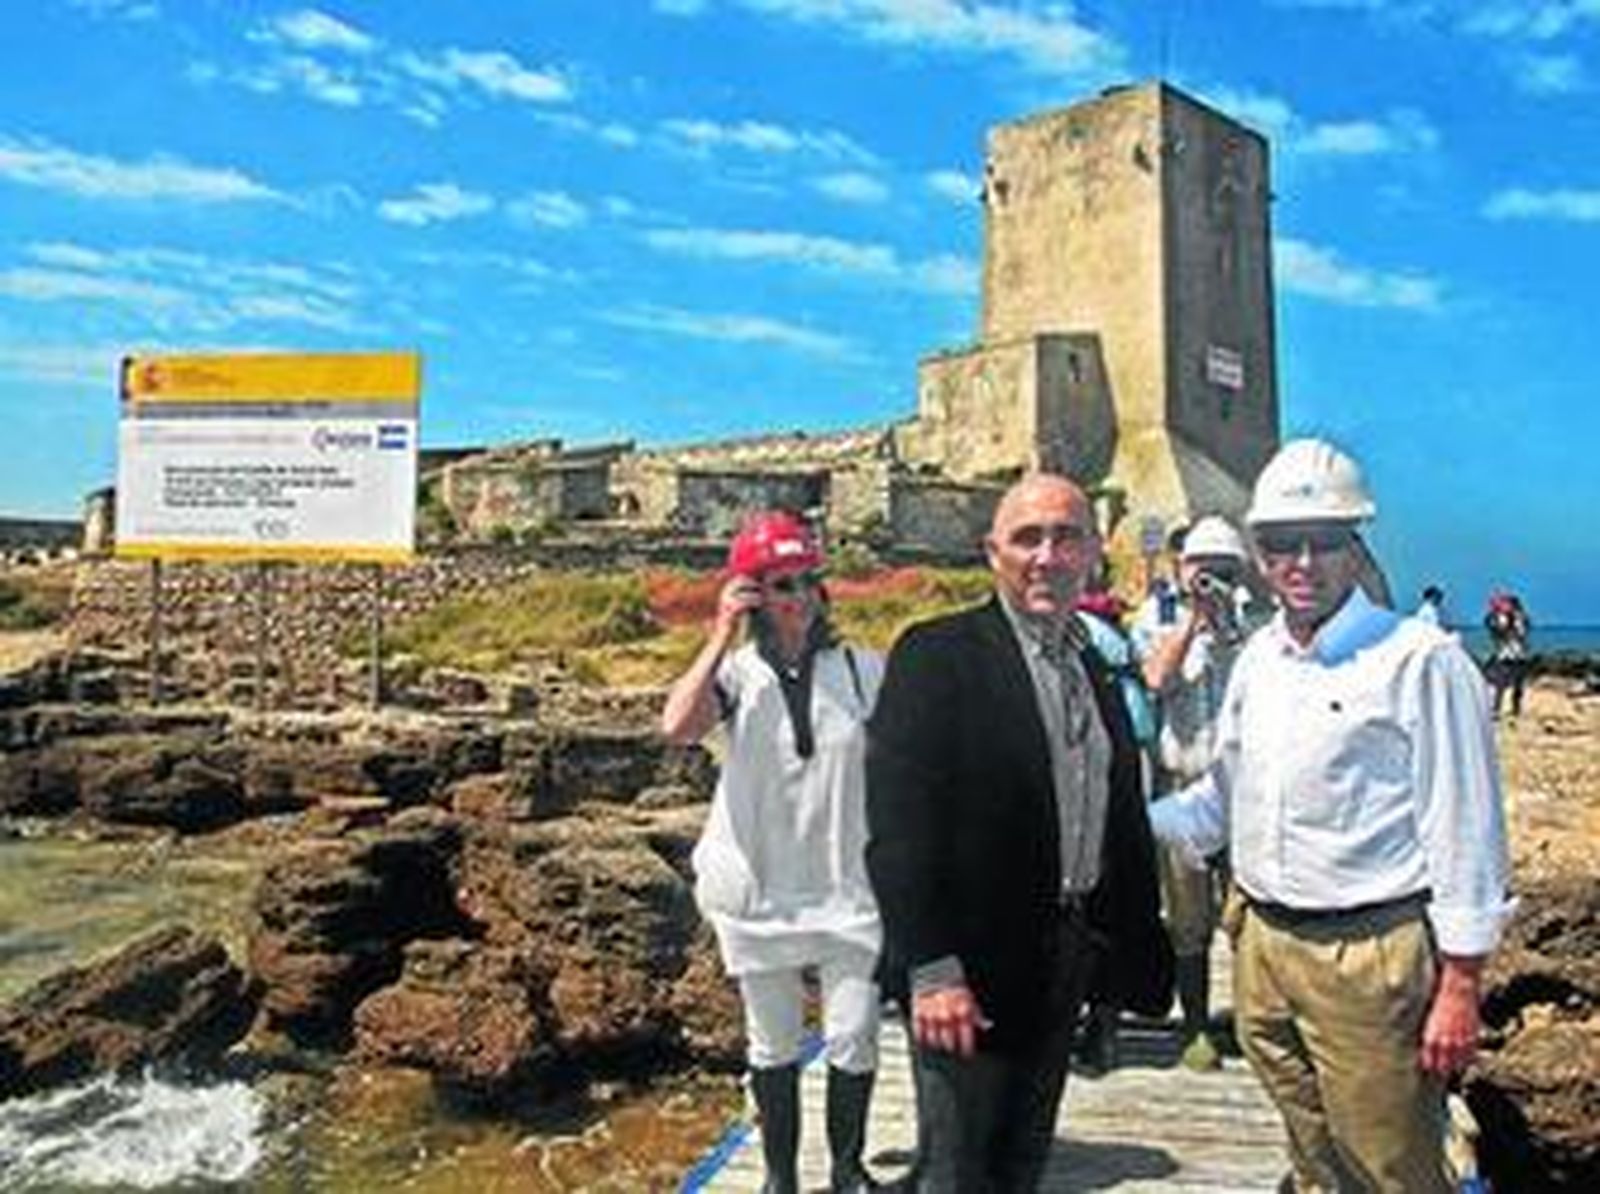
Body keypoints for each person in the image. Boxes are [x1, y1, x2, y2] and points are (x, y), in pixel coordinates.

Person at [1150, 439, 1513, 1193]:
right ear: (1260, 554)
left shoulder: (1421, 659)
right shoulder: (1259, 659)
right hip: (1261, 946)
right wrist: (1114, 821)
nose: (1303, 561)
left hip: (1370, 956)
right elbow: (1222, 801)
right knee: (1314, 1160)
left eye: (1325, 540)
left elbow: (1467, 832)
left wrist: (1460, 986)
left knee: (1392, 1168)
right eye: (1283, 543)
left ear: (1356, 546)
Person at [865, 473, 1172, 1192]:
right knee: (956, 1172)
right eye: (1027, 538)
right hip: (967, 969)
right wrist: (931, 968)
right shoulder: (938, 655)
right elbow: (899, 825)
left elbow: (1115, 810)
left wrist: (1124, 952)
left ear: (1092, 552)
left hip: (1064, 955)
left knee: (1021, 1161)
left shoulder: (1092, 664)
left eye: (1066, 538)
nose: (1046, 556)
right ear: (991, 552)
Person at [662, 510, 885, 1194]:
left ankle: (847, 1170)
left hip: (848, 886)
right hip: (760, 889)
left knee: (855, 1033)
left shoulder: (860, 670)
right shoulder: (736, 676)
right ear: (754, 595)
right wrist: (719, 633)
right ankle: (780, 1177)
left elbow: (911, 756)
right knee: (773, 1042)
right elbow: (677, 726)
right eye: (782, 585)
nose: (799, 597)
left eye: (808, 580)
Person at [1129, 514, 1254, 1073]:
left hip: (1241, 789)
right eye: (1204, 567)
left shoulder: (1258, 621)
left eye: (1224, 568)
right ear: (1183, 568)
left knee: (1247, 911)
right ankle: (1196, 1026)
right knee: (1186, 914)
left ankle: (1252, 1022)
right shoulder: (1155, 617)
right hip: (1182, 782)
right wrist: (1192, 624)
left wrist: (1228, 628)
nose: (1213, 578)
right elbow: (1156, 679)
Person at [1484, 590, 1531, 719]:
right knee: (1501, 683)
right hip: (1505, 654)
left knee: (1518, 685)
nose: (1506, 606)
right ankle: (1496, 709)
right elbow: (1495, 631)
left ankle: (1515, 708)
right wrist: (1495, 612)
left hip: (1519, 654)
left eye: (1508, 603)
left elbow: (1522, 633)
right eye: (1505, 603)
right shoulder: (1498, 618)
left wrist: (1513, 623)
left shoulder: (1521, 617)